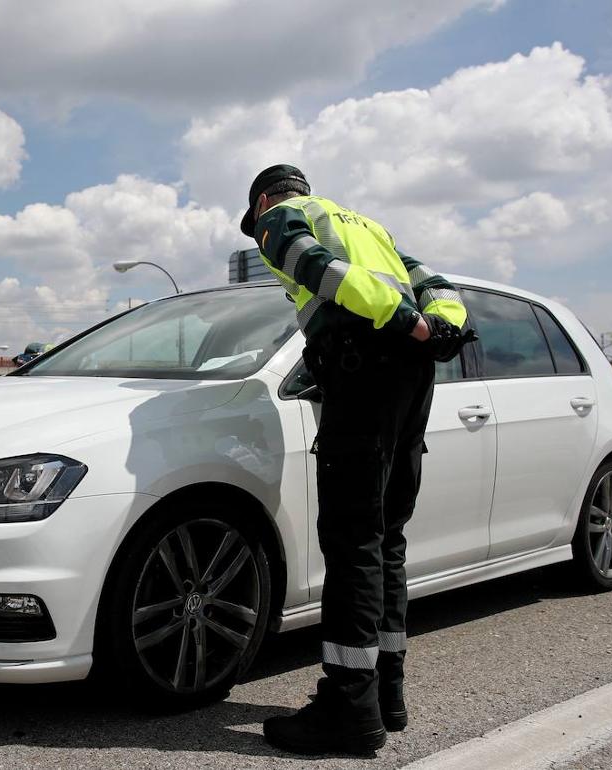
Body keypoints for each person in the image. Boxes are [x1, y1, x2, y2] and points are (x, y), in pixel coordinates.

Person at [240, 165, 473, 756]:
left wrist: (395, 317)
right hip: (411, 376)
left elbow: (311, 263)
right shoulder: (366, 224)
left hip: (362, 363)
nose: (260, 229)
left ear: (266, 199)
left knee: (352, 541)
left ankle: (348, 708)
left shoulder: (282, 215)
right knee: (385, 537)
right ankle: (386, 696)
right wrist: (439, 327)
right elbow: (436, 283)